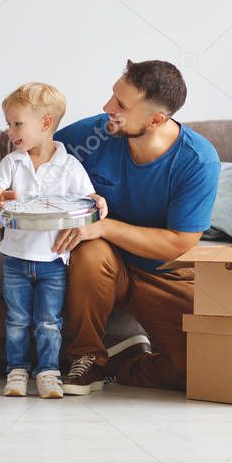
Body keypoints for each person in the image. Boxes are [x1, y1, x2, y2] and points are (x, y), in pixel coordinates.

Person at [50, 60, 221, 395]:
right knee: (89, 246)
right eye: (114, 96)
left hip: (164, 271)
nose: (107, 107)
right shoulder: (94, 134)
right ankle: (87, 360)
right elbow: (40, 156)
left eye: (121, 105)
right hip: (102, 262)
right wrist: (9, 187)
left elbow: (179, 242)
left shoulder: (197, 160)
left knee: (200, 370)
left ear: (156, 120)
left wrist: (105, 227)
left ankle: (124, 362)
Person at [0, 82, 107, 399]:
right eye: (9, 124)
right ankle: (16, 370)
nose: (11, 131)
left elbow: (87, 198)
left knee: (49, 322)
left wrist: (98, 201)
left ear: (46, 123)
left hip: (53, 260)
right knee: (17, 320)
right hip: (15, 258)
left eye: (17, 124)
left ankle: (49, 371)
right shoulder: (13, 161)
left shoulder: (68, 165)